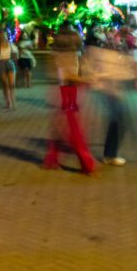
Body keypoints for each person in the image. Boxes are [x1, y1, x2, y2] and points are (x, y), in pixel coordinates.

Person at [42, 24, 98, 176]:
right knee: (75, 132)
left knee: (60, 130)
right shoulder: (69, 55)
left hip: (63, 94)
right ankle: (87, 164)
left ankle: (51, 159)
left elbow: (62, 76)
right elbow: (67, 76)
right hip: (68, 96)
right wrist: (86, 80)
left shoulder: (60, 54)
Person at [0, 28, 17, 110]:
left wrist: (15, 59)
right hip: (1, 63)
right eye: (1, 34)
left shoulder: (10, 43)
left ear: (6, 35)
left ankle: (13, 101)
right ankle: (8, 102)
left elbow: (15, 52)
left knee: (12, 84)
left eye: (4, 34)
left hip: (10, 63)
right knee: (5, 84)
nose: (3, 35)